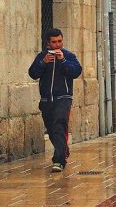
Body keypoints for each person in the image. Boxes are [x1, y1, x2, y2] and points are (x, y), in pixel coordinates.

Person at [28, 29, 83, 172]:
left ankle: (58, 160)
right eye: (54, 42)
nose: (57, 44)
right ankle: (63, 149)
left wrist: (63, 60)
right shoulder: (42, 56)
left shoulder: (69, 56)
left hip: (63, 98)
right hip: (46, 99)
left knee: (59, 123)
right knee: (51, 129)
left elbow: (76, 71)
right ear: (48, 43)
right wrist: (43, 62)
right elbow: (33, 74)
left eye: (59, 41)